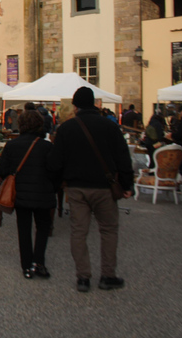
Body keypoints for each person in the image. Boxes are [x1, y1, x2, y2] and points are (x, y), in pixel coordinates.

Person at [48, 87, 134, 293]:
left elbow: (55, 161)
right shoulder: (109, 126)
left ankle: (83, 277)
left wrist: (57, 183)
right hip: (104, 185)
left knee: (79, 231)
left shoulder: (66, 129)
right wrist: (128, 184)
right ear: (94, 103)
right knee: (108, 230)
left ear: (76, 105)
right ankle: (107, 275)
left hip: (77, 187)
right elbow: (123, 157)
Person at [0, 110, 57, 279]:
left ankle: (26, 265)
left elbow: (2, 169)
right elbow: (54, 169)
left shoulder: (12, 145)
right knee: (43, 228)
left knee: (24, 229)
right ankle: (39, 262)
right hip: (43, 192)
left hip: (21, 193)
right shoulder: (46, 146)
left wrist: (12, 175)